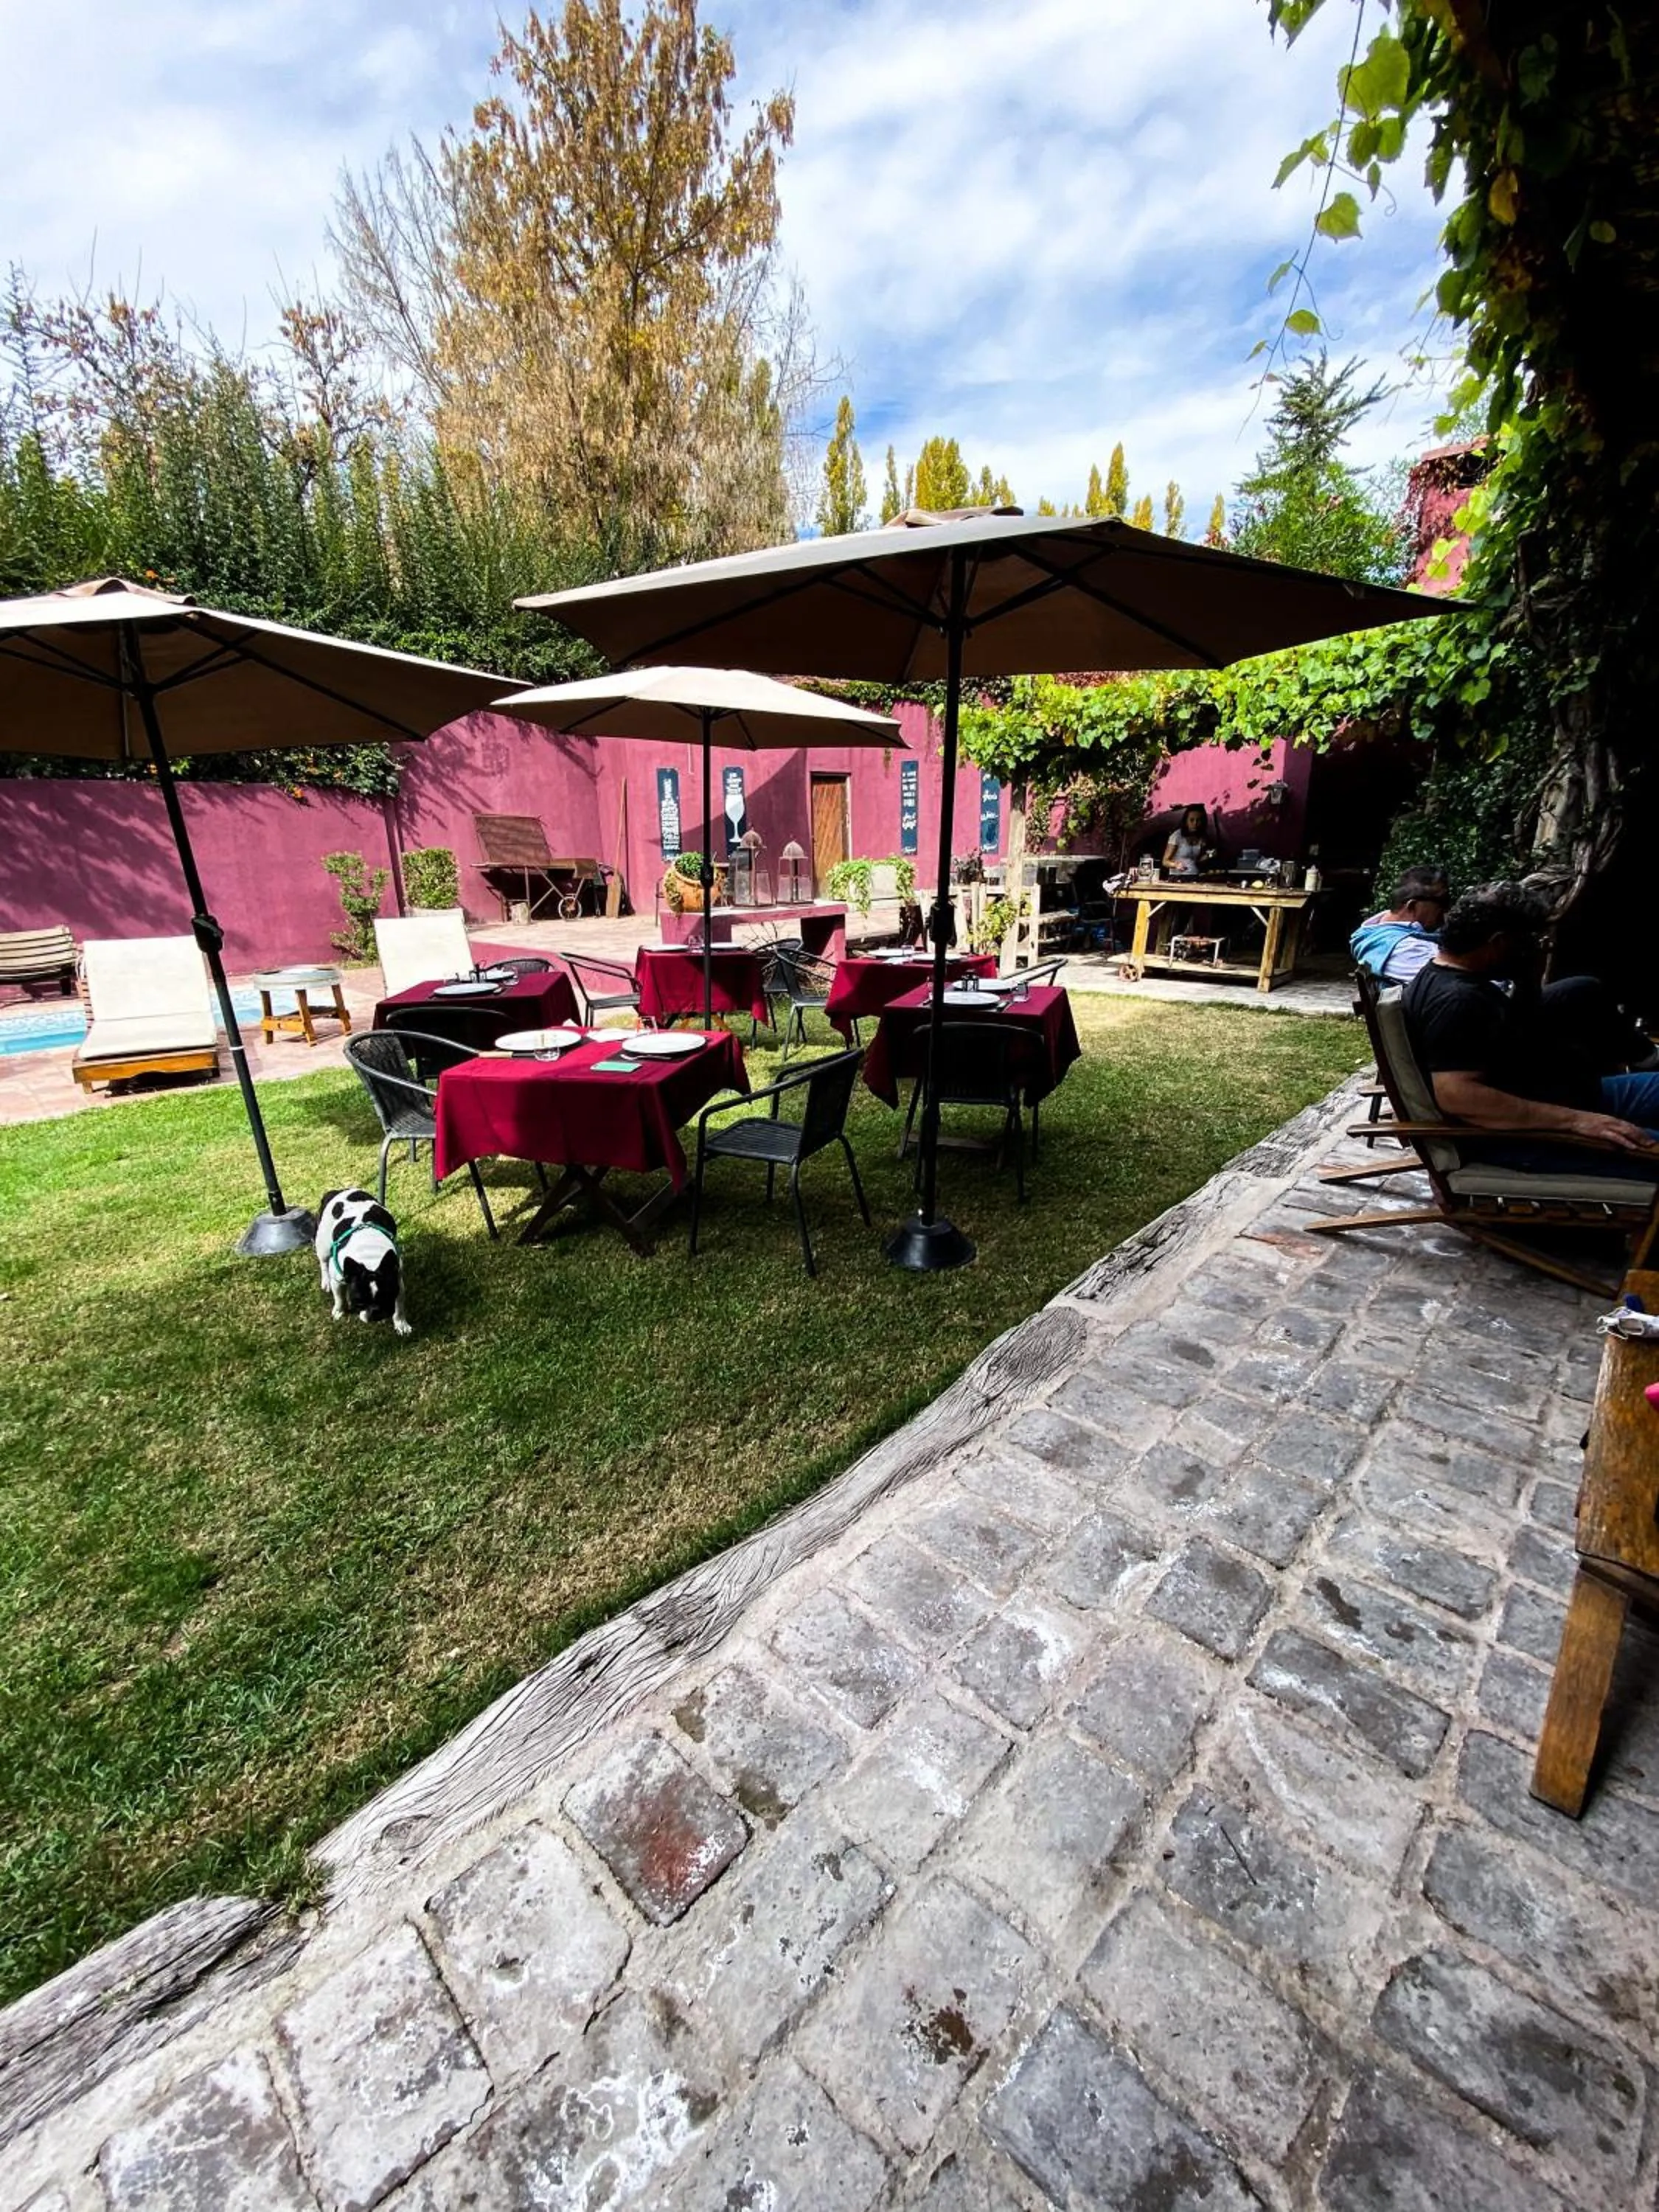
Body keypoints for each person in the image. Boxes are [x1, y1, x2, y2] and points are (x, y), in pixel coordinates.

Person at [1402, 881, 1659, 1174]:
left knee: (1580, 990)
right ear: (1498, 942)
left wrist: (1528, 979)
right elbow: (1457, 1095)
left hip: (1572, 1097)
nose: (1534, 945)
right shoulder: (1458, 1001)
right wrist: (1577, 1121)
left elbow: (1516, 1034)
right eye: (1527, 939)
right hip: (1532, 1137)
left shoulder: (1457, 979)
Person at [1350, 866, 1451, 984]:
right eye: (1443, 901)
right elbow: (1448, 985)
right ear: (1412, 906)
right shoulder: (1403, 949)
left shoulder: (1380, 931)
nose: (1446, 909)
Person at [1161, 804, 1214, 879]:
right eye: (1192, 820)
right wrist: (1176, 865)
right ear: (1186, 821)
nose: (1195, 824)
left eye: (1198, 820)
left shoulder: (1202, 837)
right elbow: (1165, 861)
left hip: (1195, 875)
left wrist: (1209, 855)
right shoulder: (1177, 836)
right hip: (1178, 877)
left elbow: (1197, 861)